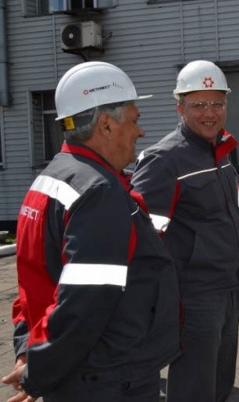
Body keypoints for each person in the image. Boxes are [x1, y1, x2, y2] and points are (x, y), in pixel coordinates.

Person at [2, 62, 180, 402]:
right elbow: (86, 304)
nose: (140, 131)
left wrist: (29, 351)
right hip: (110, 378)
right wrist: (38, 371)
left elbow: (33, 283)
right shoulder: (98, 192)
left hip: (84, 373)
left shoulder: (51, 178)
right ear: (106, 125)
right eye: (134, 119)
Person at [131, 60, 239, 402]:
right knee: (194, 390)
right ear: (179, 106)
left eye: (217, 103)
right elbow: (139, 234)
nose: (209, 113)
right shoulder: (164, 159)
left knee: (220, 386)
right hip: (194, 296)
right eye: (198, 105)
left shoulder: (222, 150)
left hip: (229, 287)